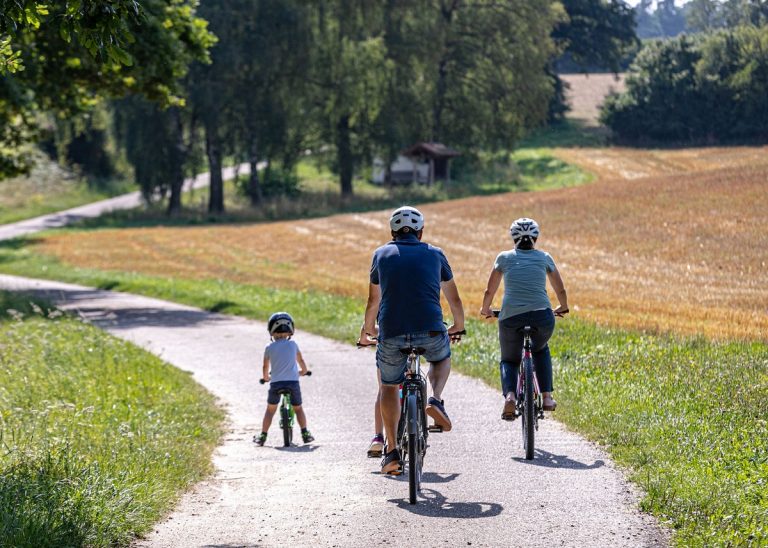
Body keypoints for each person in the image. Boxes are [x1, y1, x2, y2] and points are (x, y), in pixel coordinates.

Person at [358, 206, 465, 474]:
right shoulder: (436, 254)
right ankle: (435, 399)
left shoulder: (381, 255)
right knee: (440, 359)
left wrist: (368, 328)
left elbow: (374, 299)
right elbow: (454, 298)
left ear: (392, 232)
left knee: (389, 386)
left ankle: (391, 451)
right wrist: (458, 326)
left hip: (391, 332)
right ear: (421, 231)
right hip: (430, 329)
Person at [479, 217, 569, 420]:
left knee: (509, 360)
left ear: (513, 237)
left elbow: (489, 290)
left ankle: (510, 395)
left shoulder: (504, 258)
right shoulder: (545, 257)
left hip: (511, 316)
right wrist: (563, 307)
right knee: (540, 348)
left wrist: (486, 309)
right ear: (536, 237)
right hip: (543, 316)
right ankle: (547, 397)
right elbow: (560, 288)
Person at [253, 312, 315, 446]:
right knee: (298, 408)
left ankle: (263, 436)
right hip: (293, 383)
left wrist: (266, 378)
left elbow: (265, 366)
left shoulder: (269, 347)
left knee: (270, 410)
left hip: (276, 383)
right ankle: (305, 433)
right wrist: (304, 371)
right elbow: (301, 360)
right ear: (291, 330)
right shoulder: (293, 345)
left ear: (271, 330)